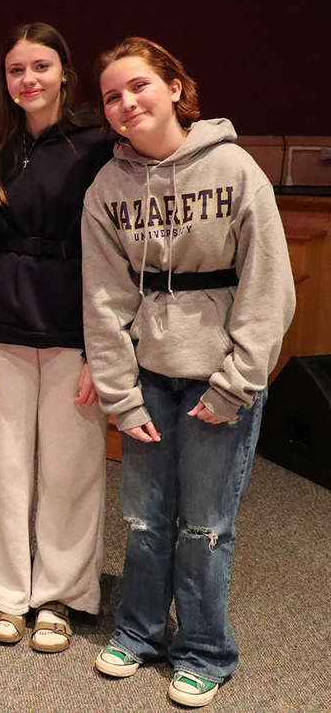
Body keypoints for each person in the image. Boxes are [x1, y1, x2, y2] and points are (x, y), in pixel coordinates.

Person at [83, 38, 294, 707]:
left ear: (175, 87)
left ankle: (205, 649)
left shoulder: (234, 169)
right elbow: (103, 300)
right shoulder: (107, 187)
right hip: (149, 376)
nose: (127, 102)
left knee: (204, 525)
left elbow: (268, 289)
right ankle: (140, 631)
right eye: (113, 95)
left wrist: (234, 383)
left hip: (218, 378)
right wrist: (120, 395)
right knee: (145, 518)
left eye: (139, 85)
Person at [0, 23, 114, 652]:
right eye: (17, 69)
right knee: (7, 465)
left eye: (40, 67)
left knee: (72, 467)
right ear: (6, 80)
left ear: (64, 73)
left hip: (76, 329)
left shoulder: (99, 145)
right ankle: (4, 592)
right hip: (4, 329)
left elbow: (116, 254)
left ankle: (60, 595)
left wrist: (106, 348)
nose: (28, 80)